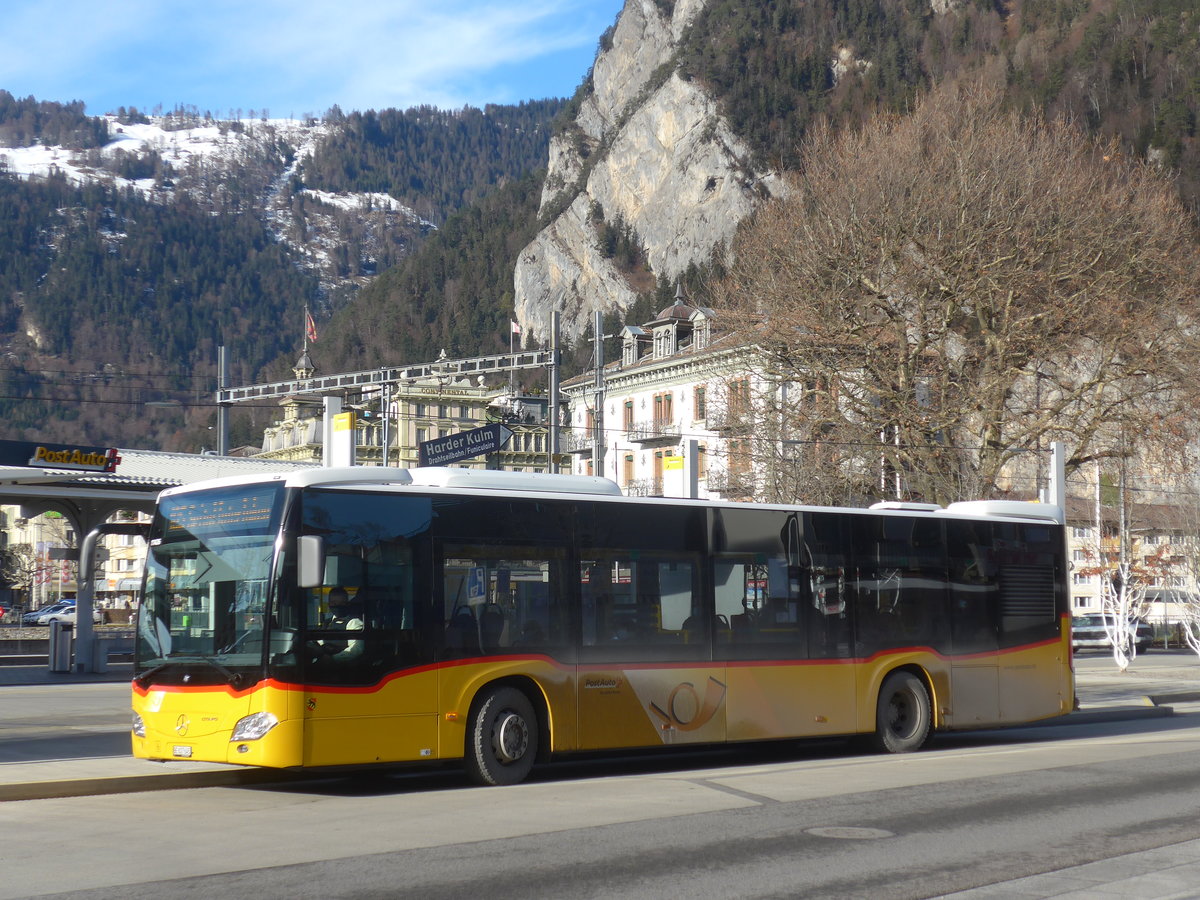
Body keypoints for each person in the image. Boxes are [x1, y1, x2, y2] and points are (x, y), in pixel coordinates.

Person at [316, 587, 364, 660]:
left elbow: (356, 649)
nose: (338, 606)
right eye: (334, 603)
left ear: (347, 604)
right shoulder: (326, 623)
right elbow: (318, 642)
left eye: (342, 603)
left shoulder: (354, 622)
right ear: (329, 604)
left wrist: (333, 659)